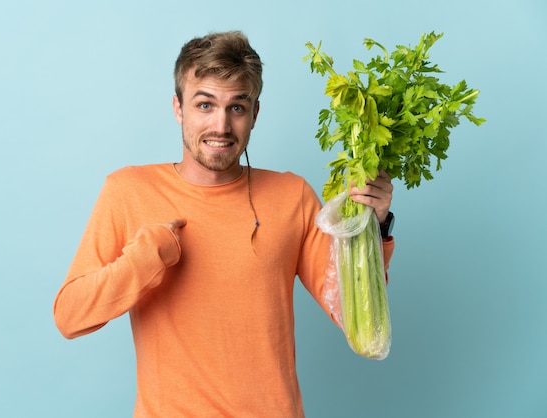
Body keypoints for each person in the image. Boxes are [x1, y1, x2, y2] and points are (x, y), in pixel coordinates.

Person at [53, 30, 395, 417]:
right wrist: (144, 259)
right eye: (204, 105)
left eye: (237, 107)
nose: (221, 125)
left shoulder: (292, 195)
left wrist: (374, 228)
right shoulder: (128, 191)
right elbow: (70, 316)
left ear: (255, 114)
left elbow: (354, 315)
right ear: (178, 108)